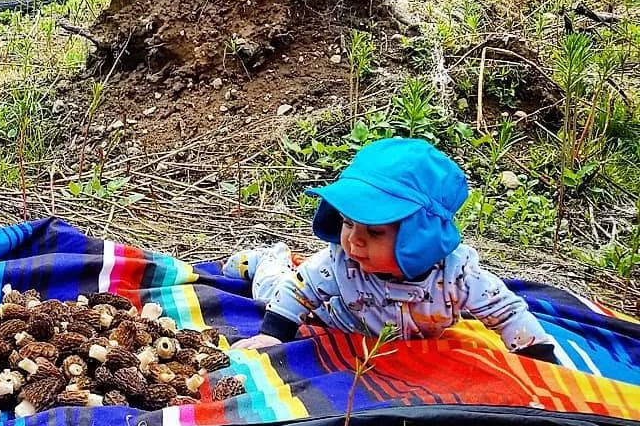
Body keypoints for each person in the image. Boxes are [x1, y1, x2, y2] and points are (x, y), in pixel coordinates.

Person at [224, 137, 557, 362]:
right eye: (347, 222)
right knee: (274, 287)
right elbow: (299, 289)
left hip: (393, 335)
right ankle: (267, 260)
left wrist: (538, 359)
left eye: (374, 230)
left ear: (421, 237)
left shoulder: (459, 277)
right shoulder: (340, 262)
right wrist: (274, 335)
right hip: (328, 315)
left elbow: (508, 312)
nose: (354, 240)